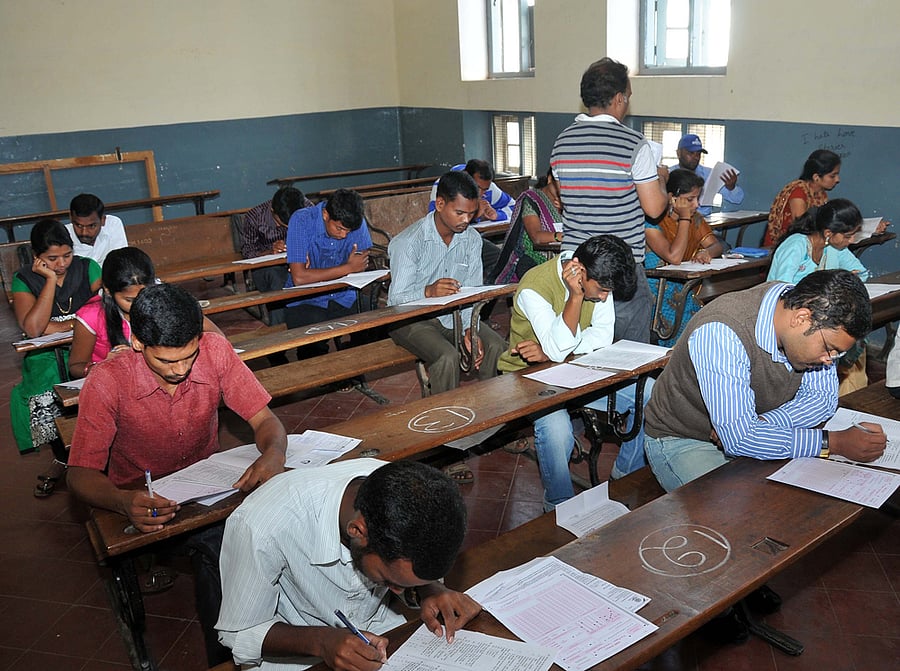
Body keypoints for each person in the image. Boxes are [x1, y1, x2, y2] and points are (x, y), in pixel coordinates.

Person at [643, 269, 886, 645]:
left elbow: (820, 401)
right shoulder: (722, 331)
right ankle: (715, 605)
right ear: (802, 318)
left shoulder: (802, 314)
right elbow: (739, 439)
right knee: (730, 514)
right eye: (829, 350)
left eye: (836, 353)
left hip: (740, 428)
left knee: (780, 502)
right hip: (681, 436)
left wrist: (758, 426)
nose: (829, 361)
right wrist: (830, 443)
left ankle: (745, 579)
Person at [66, 283, 288, 665]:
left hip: (207, 486)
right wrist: (122, 500)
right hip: (144, 500)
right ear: (137, 342)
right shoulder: (108, 380)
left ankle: (270, 635)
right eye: (167, 362)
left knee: (271, 525)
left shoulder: (215, 352)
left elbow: (265, 420)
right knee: (219, 548)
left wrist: (273, 452)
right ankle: (228, 659)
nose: (181, 370)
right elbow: (80, 473)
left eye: (189, 356)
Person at [216, 459, 481, 671]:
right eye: (389, 581)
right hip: (294, 656)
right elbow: (240, 633)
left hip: (383, 636)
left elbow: (409, 563)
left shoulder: (404, 492)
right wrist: (322, 642)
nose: (398, 592)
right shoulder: (262, 524)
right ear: (358, 531)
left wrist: (430, 590)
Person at [498, 235, 654, 509]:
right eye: (602, 291)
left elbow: (602, 338)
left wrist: (553, 350)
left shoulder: (598, 274)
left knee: (652, 393)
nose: (605, 297)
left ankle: (625, 476)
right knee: (557, 428)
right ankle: (558, 504)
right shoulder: (534, 287)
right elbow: (560, 349)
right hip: (527, 376)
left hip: (576, 369)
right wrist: (576, 297)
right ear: (579, 271)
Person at [550, 57, 668, 344]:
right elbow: (653, 209)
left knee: (581, 348)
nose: (627, 103)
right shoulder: (633, 144)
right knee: (629, 354)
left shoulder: (562, 142)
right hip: (619, 269)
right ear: (618, 99)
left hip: (575, 267)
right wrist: (661, 179)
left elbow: (565, 200)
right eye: (627, 97)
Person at [388, 170, 507, 396]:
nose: (465, 221)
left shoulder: (471, 239)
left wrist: (469, 330)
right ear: (440, 204)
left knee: (496, 346)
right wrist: (428, 291)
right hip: (411, 319)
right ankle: (444, 421)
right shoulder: (409, 242)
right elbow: (396, 300)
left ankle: (492, 411)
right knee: (447, 357)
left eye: (471, 214)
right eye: (460, 212)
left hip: (454, 314)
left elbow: (472, 292)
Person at [11, 219, 102, 496]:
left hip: (88, 342)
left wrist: (68, 325)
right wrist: (49, 280)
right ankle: (63, 458)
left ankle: (97, 451)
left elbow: (104, 306)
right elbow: (34, 328)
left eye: (67, 255)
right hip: (45, 353)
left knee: (99, 378)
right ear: (37, 256)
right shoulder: (24, 278)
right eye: (52, 258)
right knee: (47, 387)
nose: (61, 264)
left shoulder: (88, 268)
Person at [67, 247, 222, 380]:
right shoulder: (92, 316)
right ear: (108, 290)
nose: (138, 304)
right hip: (117, 385)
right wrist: (101, 367)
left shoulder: (168, 303)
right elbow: (75, 366)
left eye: (144, 294)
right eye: (129, 299)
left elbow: (218, 338)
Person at [767, 199, 871, 393]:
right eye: (848, 235)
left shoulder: (833, 248)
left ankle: (847, 395)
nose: (852, 241)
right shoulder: (797, 245)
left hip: (818, 315)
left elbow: (861, 273)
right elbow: (781, 288)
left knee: (851, 334)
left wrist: (848, 279)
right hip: (789, 318)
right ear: (829, 233)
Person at [283, 188, 372, 359]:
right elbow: (300, 278)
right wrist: (347, 268)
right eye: (339, 228)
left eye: (349, 231)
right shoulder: (301, 220)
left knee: (376, 321)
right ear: (325, 214)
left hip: (343, 295)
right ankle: (321, 381)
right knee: (314, 342)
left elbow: (360, 263)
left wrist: (316, 273)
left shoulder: (356, 221)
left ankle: (350, 367)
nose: (344, 234)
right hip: (305, 299)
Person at [644, 169, 724, 346]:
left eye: (697, 198)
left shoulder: (695, 219)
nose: (696, 204)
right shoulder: (653, 222)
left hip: (682, 289)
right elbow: (675, 257)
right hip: (657, 296)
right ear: (672, 198)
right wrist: (685, 217)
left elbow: (716, 245)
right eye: (690, 199)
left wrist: (707, 252)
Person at [428, 159, 513, 282]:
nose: (481, 193)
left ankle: (486, 295)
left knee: (500, 258)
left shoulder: (488, 188)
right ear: (467, 177)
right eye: (478, 187)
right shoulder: (445, 185)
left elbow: (514, 206)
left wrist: (497, 215)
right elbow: (436, 218)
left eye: (485, 189)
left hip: (472, 238)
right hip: (446, 241)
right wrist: (475, 216)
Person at [240, 186, 313, 324]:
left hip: (302, 260)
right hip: (267, 267)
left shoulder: (307, 207)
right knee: (278, 280)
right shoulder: (255, 217)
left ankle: (311, 329)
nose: (290, 229)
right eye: (284, 225)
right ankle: (280, 331)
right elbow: (246, 251)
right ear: (273, 211)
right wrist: (269, 251)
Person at [490, 167, 564, 283]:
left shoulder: (568, 203)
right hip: (533, 259)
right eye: (561, 184)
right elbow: (536, 237)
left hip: (562, 258)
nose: (563, 189)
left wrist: (565, 210)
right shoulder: (531, 200)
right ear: (550, 179)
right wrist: (560, 236)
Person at [764, 149, 841, 247]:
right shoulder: (798, 192)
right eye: (832, 176)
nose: (837, 179)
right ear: (816, 177)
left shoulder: (820, 194)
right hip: (787, 247)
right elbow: (802, 227)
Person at [672, 134, 744, 217]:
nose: (695, 157)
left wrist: (732, 188)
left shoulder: (709, 174)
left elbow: (738, 199)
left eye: (698, 154)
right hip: (677, 221)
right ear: (679, 153)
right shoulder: (669, 175)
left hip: (705, 222)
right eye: (691, 153)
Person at [64, 193, 128, 265]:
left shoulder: (112, 225)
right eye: (78, 225)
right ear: (71, 218)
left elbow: (121, 262)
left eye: (92, 226)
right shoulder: (62, 235)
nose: (84, 232)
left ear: (103, 220)